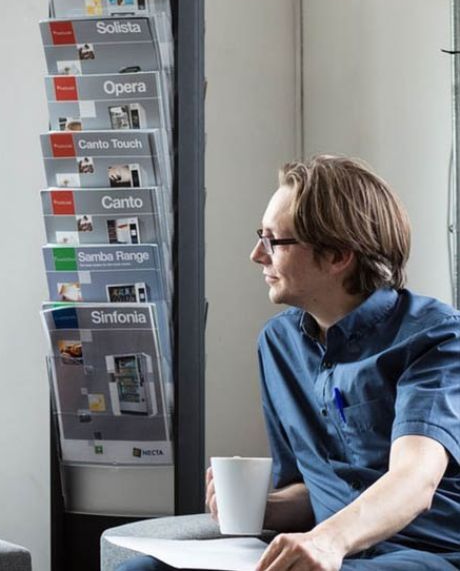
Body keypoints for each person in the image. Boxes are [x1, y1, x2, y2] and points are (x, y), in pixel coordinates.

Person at [119, 155, 460, 570]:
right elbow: (310, 487)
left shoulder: (436, 336)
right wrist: (260, 508)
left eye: (273, 241)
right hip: (331, 554)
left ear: (337, 256)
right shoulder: (278, 344)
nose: (256, 255)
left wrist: (327, 541)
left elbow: (416, 479)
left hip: (427, 554)